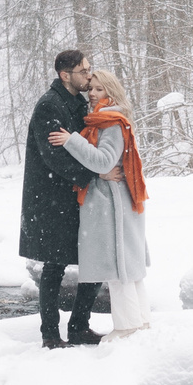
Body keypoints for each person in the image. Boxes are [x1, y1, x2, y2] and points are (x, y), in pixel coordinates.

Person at [19, 49, 117, 348]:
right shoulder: (49, 105)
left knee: (94, 259)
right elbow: (54, 158)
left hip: (75, 197)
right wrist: (97, 173)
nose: (89, 75)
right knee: (54, 266)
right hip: (51, 200)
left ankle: (78, 327)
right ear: (65, 75)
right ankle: (50, 335)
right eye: (83, 71)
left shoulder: (78, 102)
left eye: (89, 69)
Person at [47, 68, 151, 340]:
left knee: (118, 269)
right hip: (118, 202)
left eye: (99, 89)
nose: (92, 93)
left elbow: (104, 161)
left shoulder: (110, 122)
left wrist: (71, 140)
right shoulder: (105, 120)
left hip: (112, 204)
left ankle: (127, 327)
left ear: (111, 92)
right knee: (128, 268)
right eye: (91, 88)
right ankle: (140, 322)